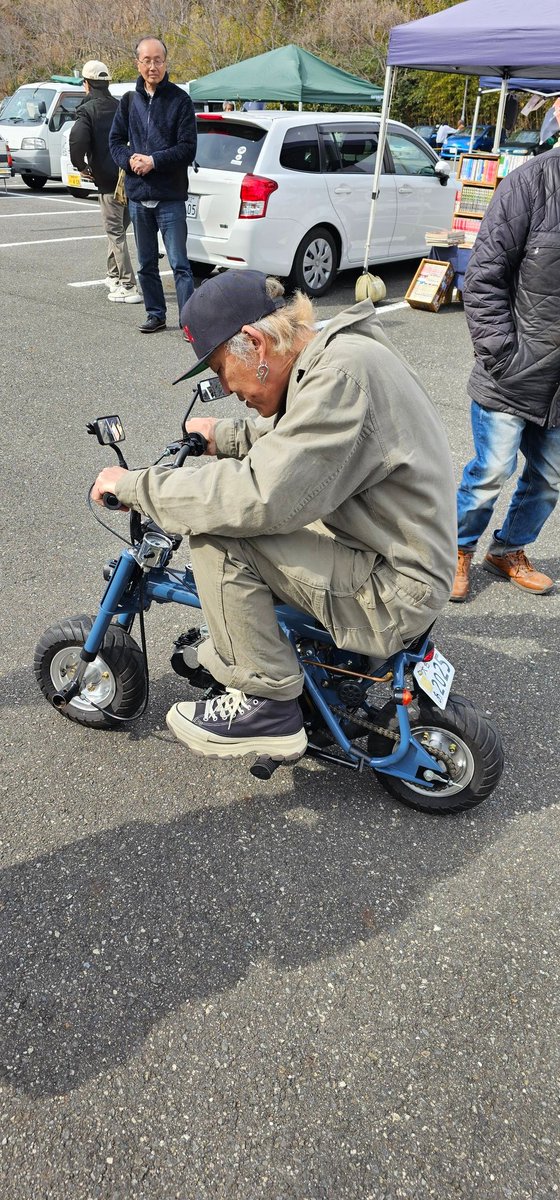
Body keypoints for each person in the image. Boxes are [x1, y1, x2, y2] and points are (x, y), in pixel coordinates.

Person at [92, 271, 457, 761]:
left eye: (221, 370)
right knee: (254, 518)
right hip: (399, 551)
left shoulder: (339, 379)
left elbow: (259, 494)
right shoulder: (343, 353)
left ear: (254, 343)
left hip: (396, 588)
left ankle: (267, 703)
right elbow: (307, 444)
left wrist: (136, 486)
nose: (224, 386)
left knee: (219, 533)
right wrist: (227, 436)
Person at [450, 139, 560, 602]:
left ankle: (509, 549)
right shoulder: (530, 183)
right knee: (492, 470)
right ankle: (455, 550)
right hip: (511, 373)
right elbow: (483, 278)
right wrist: (502, 356)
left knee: (551, 477)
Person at [109, 36, 197, 333]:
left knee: (180, 265)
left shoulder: (180, 100)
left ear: (166, 62)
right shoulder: (128, 100)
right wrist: (129, 161)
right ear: (138, 63)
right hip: (138, 195)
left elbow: (188, 148)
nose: (152, 66)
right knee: (146, 263)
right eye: (146, 60)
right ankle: (156, 314)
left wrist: (154, 160)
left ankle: (189, 323)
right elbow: (115, 141)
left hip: (169, 196)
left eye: (158, 60)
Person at [69, 61, 141, 303]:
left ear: (86, 84)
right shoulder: (122, 106)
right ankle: (113, 275)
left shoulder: (87, 110)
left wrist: (82, 166)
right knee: (119, 231)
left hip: (108, 183)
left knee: (115, 233)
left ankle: (128, 286)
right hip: (130, 178)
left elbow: (77, 141)